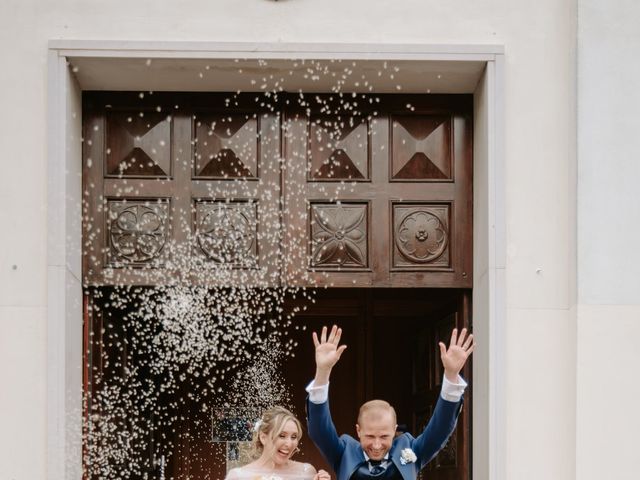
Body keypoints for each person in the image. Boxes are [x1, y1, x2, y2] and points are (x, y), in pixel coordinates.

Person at [306, 325, 474, 480]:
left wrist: (451, 375)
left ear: (394, 431)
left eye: (384, 436)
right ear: (358, 430)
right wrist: (323, 371)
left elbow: (441, 429)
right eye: (370, 436)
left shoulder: (411, 450)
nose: (377, 445)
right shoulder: (343, 452)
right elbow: (319, 429)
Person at [226, 406, 332, 480]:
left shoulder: (307, 472)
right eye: (282, 435)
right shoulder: (238, 476)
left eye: (294, 437)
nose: (289, 444)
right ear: (263, 437)